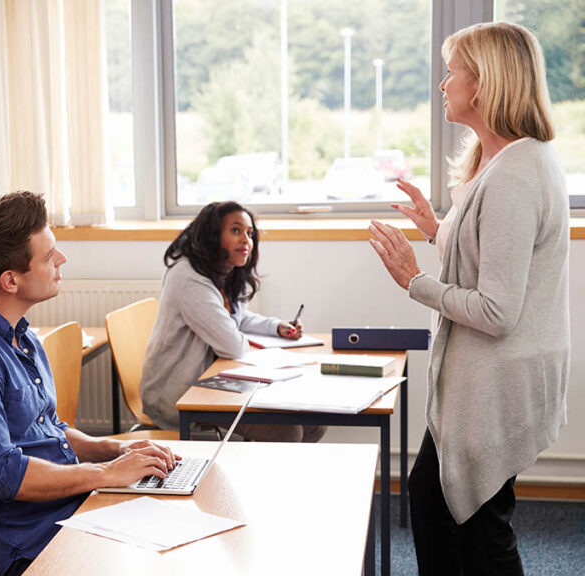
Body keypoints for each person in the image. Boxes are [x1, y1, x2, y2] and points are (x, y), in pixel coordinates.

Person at [368, 22, 568, 574]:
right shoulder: (505, 161)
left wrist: (414, 280)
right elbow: (494, 254)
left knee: (472, 526)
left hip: (497, 377)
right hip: (491, 375)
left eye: (451, 71)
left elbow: (497, 311)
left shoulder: (514, 174)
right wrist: (438, 231)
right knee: (445, 509)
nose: (442, 84)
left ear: (483, 83)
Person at [0, 191, 177, 576]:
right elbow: (1, 474)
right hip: (39, 544)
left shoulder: (21, 335)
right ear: (10, 280)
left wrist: (111, 451)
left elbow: (47, 430)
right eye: (48, 255)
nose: (61, 260)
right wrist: (106, 475)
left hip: (76, 510)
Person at [140, 201, 326, 442]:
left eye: (250, 233)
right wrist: (239, 334)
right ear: (212, 235)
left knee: (314, 423)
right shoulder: (189, 278)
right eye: (236, 230)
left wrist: (275, 326)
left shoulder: (222, 270)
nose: (246, 240)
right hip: (179, 393)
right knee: (285, 430)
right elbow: (232, 345)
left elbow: (236, 319)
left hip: (214, 381)